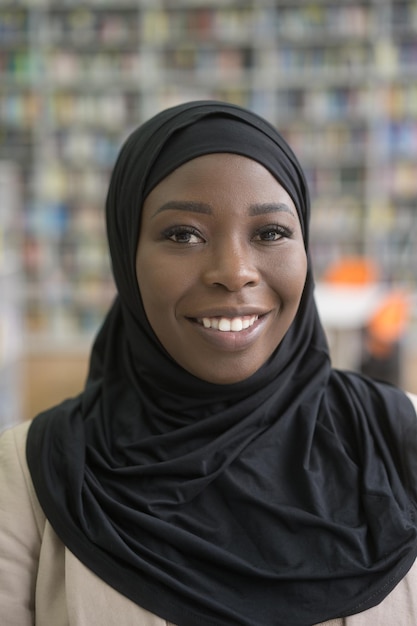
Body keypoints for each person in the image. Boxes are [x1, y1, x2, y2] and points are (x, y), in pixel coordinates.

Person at [1, 100, 417, 626]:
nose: (234, 272)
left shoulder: (401, 437)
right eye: (183, 235)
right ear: (126, 253)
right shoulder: (22, 479)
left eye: (270, 233)